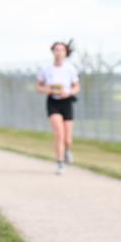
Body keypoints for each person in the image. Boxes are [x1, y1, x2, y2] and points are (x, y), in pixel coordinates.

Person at [36, 40, 80, 175]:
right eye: (56, 50)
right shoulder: (46, 69)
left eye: (62, 50)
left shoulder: (70, 69)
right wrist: (47, 89)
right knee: (59, 134)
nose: (59, 52)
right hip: (53, 102)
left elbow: (77, 87)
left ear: (66, 53)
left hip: (66, 102)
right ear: (53, 52)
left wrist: (69, 92)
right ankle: (60, 163)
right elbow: (39, 86)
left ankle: (67, 150)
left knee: (67, 138)